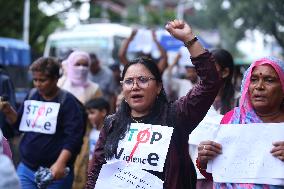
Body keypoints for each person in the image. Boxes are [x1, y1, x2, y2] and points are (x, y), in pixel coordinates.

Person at [85, 19, 221, 189]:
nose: (135, 86)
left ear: (158, 87)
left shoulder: (176, 115)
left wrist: (189, 40)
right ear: (122, 88)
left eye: (143, 80)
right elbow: (96, 171)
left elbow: (210, 83)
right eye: (129, 81)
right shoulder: (112, 123)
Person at [197, 56, 284, 188]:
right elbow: (216, 174)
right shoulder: (232, 120)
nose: (259, 86)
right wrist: (204, 160)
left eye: (269, 80)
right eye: (253, 80)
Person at [0, 57, 85, 189]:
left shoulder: (67, 102)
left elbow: (74, 138)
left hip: (54, 173)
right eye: (35, 80)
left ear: (56, 79)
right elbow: (20, 125)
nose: (38, 84)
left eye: (42, 80)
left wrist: (60, 164)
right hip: (26, 169)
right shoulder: (32, 94)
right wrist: (8, 111)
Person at [188, 49, 236, 189]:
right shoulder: (191, 100)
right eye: (203, 65)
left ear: (225, 72)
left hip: (227, 176)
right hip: (195, 176)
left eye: (211, 65)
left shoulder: (240, 103)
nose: (205, 70)